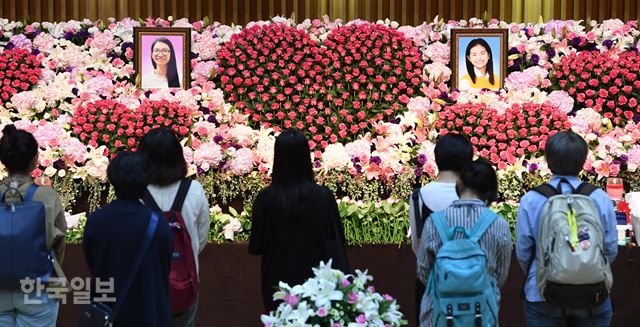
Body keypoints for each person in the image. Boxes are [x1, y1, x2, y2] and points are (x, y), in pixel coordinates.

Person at [516, 130, 617, 327]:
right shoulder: (599, 198)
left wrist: (545, 270)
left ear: (548, 160)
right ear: (583, 161)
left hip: (543, 294)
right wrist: (585, 266)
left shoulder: (532, 199)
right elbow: (610, 248)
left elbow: (524, 251)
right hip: (593, 293)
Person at [249, 128, 348, 312]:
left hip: (278, 286)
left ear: (277, 158)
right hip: (318, 286)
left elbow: (256, 247)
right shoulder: (323, 197)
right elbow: (338, 240)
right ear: (306, 157)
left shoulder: (266, 199)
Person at [417, 159, 512, 326]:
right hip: (482, 316)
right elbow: (501, 274)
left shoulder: (434, 222)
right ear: (491, 191)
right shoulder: (499, 224)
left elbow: (424, 270)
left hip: (439, 315)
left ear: (458, 186)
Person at [83, 151, 172, 326]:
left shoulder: (97, 220)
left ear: (112, 179)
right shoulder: (157, 222)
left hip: (108, 308)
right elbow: (165, 264)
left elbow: (92, 262)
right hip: (148, 309)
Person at [138, 127, 210, 327]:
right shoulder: (194, 191)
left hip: (145, 284)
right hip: (184, 283)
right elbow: (200, 238)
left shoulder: (135, 193)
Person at [0, 125, 67, 327]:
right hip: (37, 288)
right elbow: (59, 242)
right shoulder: (47, 196)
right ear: (35, 159)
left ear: (3, 160)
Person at [408, 133, 473, 324]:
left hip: (429, 283)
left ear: (436, 159)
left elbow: (416, 246)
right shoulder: (473, 195)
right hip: (469, 281)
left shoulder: (418, 196)